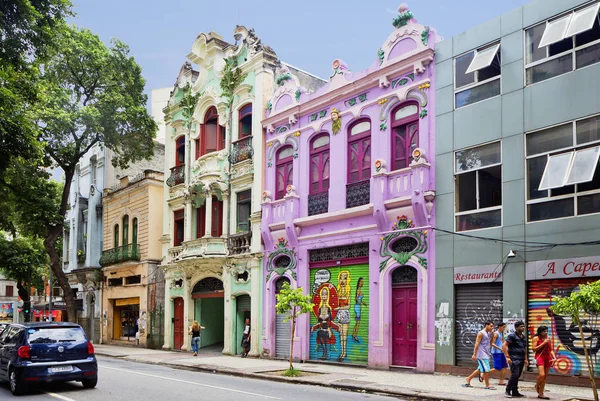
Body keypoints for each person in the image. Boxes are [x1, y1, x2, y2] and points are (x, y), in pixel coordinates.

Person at [462, 321, 495, 390]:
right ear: (486, 325)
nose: (492, 327)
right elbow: (476, 344)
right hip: (481, 354)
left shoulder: (488, 333)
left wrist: (493, 334)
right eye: (491, 326)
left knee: (480, 369)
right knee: (486, 370)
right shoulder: (481, 333)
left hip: (486, 353)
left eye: (493, 326)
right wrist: (474, 354)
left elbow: (491, 342)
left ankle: (468, 379)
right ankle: (487, 385)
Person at [503, 320, 528, 398]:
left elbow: (524, 348)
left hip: (521, 358)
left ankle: (515, 391)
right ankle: (507, 390)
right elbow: (504, 345)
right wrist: (507, 356)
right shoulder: (512, 336)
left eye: (523, 326)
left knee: (518, 375)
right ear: (516, 327)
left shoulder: (523, 337)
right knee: (515, 374)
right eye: (521, 326)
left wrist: (526, 359)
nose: (523, 328)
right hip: (514, 358)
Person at [532, 325, 556, 399]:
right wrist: (543, 343)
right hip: (540, 357)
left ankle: (541, 393)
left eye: (546, 331)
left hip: (548, 357)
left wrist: (554, 358)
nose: (546, 333)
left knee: (545, 376)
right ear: (540, 332)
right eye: (544, 331)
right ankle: (537, 385)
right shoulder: (536, 338)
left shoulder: (549, 339)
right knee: (542, 375)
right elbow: (534, 349)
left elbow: (551, 350)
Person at [352, 277, 367, 343]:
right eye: (361, 282)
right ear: (358, 283)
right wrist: (360, 304)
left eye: (362, 282)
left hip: (358, 307)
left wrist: (363, 303)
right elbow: (356, 299)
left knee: (357, 322)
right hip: (357, 307)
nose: (362, 283)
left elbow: (359, 299)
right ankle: (355, 336)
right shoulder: (358, 290)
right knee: (358, 322)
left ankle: (353, 334)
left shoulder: (359, 290)